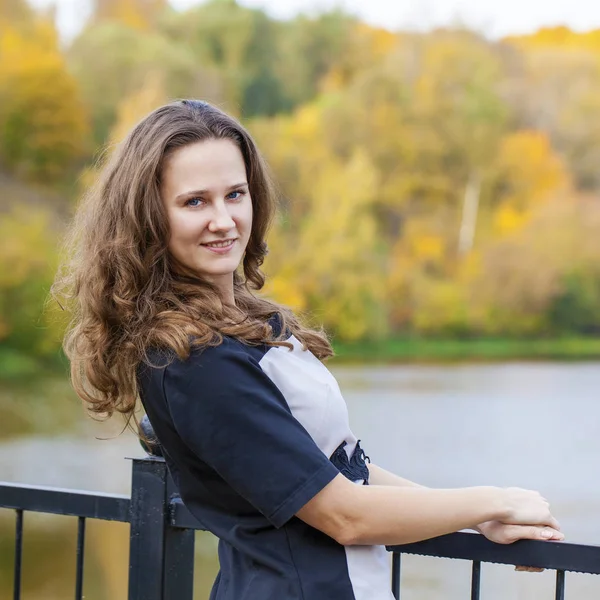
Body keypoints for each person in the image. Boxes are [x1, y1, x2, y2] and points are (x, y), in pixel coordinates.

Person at [52, 99, 564, 600]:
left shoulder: (242, 327)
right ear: (149, 217)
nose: (224, 220)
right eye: (194, 201)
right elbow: (344, 514)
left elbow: (339, 468)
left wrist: (478, 519)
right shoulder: (193, 362)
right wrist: (493, 499)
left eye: (235, 194)